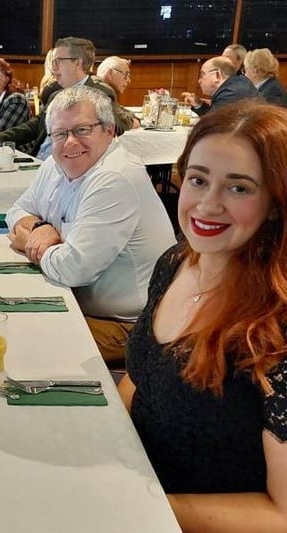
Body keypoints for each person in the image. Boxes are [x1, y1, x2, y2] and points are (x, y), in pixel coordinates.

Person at [119, 102, 287, 531]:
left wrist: (139, 508)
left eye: (239, 188)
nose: (207, 205)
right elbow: (140, 378)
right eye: (198, 180)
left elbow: (281, 514)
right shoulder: (174, 263)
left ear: (274, 203)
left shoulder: (277, 322)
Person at [5, 86, 176, 364]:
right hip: (76, 300)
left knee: (20, 343)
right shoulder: (56, 162)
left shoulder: (114, 177)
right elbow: (17, 211)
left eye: (82, 130)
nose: (70, 142)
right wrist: (40, 229)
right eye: (60, 134)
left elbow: (73, 269)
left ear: (109, 130)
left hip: (128, 326)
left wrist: (28, 242)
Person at [0, 36, 129, 158]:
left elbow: (118, 126)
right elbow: (34, 126)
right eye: (53, 62)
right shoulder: (55, 93)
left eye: (58, 61)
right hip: (39, 160)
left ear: (78, 63)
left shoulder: (98, 92)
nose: (53, 67)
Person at [183, 56, 261, 116]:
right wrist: (198, 104)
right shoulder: (237, 83)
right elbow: (212, 117)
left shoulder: (230, 94)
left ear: (217, 75)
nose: (199, 81)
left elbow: (212, 126)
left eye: (202, 75)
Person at [96, 56, 139, 128]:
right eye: (125, 75)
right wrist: (133, 121)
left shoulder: (103, 89)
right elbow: (118, 121)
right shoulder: (101, 91)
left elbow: (119, 110)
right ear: (110, 73)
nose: (129, 81)